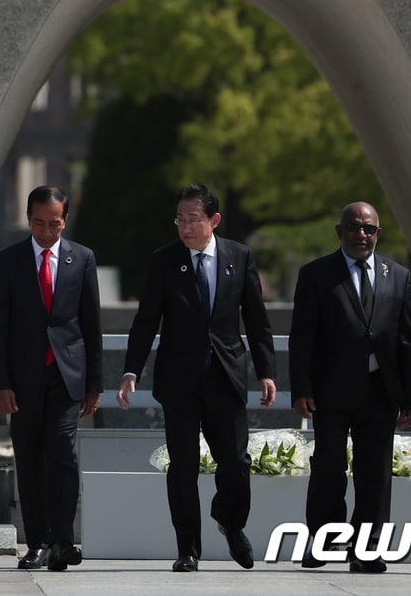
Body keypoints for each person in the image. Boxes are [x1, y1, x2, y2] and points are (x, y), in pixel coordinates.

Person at [118, 183, 275, 572]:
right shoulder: (165, 260)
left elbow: (257, 320)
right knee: (183, 466)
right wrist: (131, 370)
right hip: (179, 379)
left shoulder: (239, 256)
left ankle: (230, 521)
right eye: (180, 220)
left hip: (226, 374)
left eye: (193, 220)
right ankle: (187, 549)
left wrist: (266, 372)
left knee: (235, 462)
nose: (185, 228)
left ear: (213, 220)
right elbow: (146, 320)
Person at [289, 201, 411, 573]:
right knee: (328, 468)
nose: (361, 235)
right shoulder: (316, 274)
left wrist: (410, 397)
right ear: (340, 231)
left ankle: (368, 548)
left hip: (380, 390)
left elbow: (406, 341)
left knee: (374, 472)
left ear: (378, 233)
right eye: (354, 227)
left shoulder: (398, 276)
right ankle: (325, 543)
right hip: (329, 391)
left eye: (368, 229)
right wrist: (301, 388)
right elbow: (302, 336)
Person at [0, 185, 103, 572]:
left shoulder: (82, 258)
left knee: (63, 454)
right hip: (22, 379)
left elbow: (91, 324)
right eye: (39, 223)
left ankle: (63, 541)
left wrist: (94, 385)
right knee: (30, 458)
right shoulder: (9, 260)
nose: (47, 231)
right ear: (28, 219)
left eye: (54, 224)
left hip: (67, 375)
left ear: (65, 221)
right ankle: (37, 542)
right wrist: (0, 383)